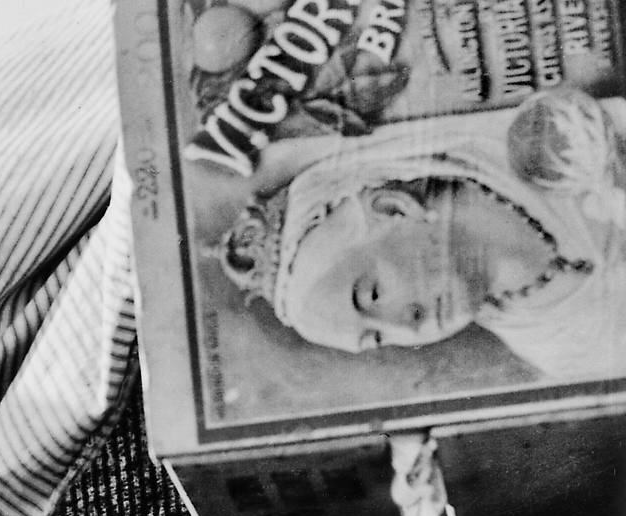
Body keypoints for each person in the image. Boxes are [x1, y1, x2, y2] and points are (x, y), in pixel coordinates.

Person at [216, 86, 626, 382]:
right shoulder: (562, 350)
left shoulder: (553, 133)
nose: (409, 327)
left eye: (373, 294)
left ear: (395, 207)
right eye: (378, 337)